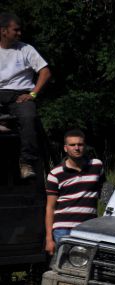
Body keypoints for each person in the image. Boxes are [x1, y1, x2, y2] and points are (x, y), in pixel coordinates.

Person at [0, 12, 51, 178]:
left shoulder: (26, 49)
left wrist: (33, 94)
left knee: (29, 117)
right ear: (3, 31)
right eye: (16, 30)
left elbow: (45, 72)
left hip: (20, 94)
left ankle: (26, 162)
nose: (19, 33)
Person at [45, 129, 105, 255]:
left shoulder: (97, 166)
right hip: (63, 229)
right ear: (65, 148)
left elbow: (103, 193)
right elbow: (50, 207)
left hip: (89, 228)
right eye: (72, 145)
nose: (77, 148)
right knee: (65, 267)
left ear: (85, 146)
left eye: (80, 144)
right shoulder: (55, 174)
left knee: (88, 266)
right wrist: (49, 239)